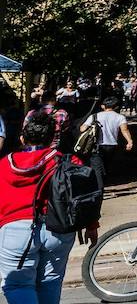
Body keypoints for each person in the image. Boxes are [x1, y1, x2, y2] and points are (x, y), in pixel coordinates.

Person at [1, 112, 96, 304]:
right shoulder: (68, 162)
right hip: (58, 230)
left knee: (18, 285)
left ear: (22, 138)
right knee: (50, 281)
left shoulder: (4, 165)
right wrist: (92, 225)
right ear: (53, 138)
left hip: (15, 231)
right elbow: (84, 195)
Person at [91, 98, 133, 184]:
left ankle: (100, 187)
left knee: (97, 168)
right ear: (116, 107)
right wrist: (130, 141)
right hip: (112, 145)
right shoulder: (120, 117)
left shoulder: (95, 116)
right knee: (106, 165)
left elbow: (82, 128)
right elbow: (124, 130)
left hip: (97, 145)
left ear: (103, 106)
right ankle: (103, 181)